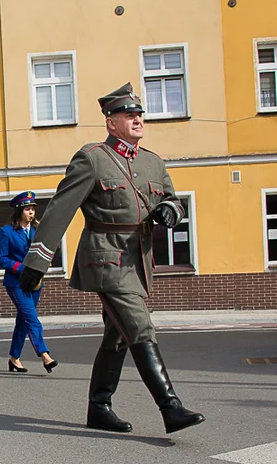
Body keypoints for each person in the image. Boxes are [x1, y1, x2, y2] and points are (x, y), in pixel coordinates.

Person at [19, 82, 205, 434]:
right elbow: (61, 208)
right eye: (128, 115)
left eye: (139, 114)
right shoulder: (92, 158)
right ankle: (171, 407)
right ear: (111, 122)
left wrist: (169, 210)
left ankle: (99, 407)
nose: (137, 119)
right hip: (106, 258)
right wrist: (37, 260)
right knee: (139, 326)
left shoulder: (152, 162)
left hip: (139, 261)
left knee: (118, 335)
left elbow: (173, 200)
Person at [0, 192, 57, 374]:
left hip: (35, 281)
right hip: (16, 282)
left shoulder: (38, 230)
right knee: (31, 318)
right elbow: (0, 258)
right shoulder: (7, 232)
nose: (31, 213)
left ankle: (14, 358)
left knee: (23, 321)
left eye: (33, 209)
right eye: (28, 209)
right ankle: (44, 355)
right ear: (19, 211)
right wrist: (21, 268)